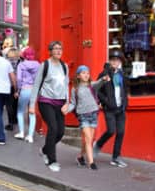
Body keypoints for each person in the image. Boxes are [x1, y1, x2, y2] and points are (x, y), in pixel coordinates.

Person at [29, 41, 69, 172]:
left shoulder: (64, 66)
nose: (58, 51)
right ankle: (52, 161)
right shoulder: (44, 65)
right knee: (53, 128)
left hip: (60, 103)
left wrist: (67, 102)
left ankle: (45, 150)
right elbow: (36, 85)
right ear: (50, 51)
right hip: (46, 101)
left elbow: (66, 86)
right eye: (55, 49)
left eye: (60, 49)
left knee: (61, 132)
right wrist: (31, 105)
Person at [66, 65, 109, 170]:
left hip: (93, 114)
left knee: (88, 140)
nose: (86, 75)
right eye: (83, 73)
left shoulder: (92, 85)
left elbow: (99, 83)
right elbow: (73, 103)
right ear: (78, 76)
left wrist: (103, 79)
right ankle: (91, 163)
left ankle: (80, 157)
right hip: (83, 116)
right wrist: (66, 109)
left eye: (87, 73)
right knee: (89, 139)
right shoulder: (75, 89)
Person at [94, 50, 129, 168]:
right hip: (109, 108)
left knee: (121, 132)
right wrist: (106, 102)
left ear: (120, 62)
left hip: (121, 108)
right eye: (113, 60)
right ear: (110, 61)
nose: (115, 62)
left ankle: (116, 157)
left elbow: (125, 90)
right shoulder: (104, 74)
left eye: (117, 60)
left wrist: (125, 102)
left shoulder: (122, 75)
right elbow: (97, 90)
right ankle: (98, 144)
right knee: (111, 130)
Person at [14, 46, 40, 143]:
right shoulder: (38, 64)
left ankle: (21, 133)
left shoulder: (21, 65)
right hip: (34, 90)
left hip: (24, 90)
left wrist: (18, 90)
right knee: (32, 113)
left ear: (24, 55)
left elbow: (19, 79)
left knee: (20, 112)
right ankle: (30, 136)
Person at [5, 47, 21, 130]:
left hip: (8, 84)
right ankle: (15, 119)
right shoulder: (20, 62)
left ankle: (10, 122)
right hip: (18, 84)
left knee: (9, 104)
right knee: (15, 103)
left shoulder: (6, 62)